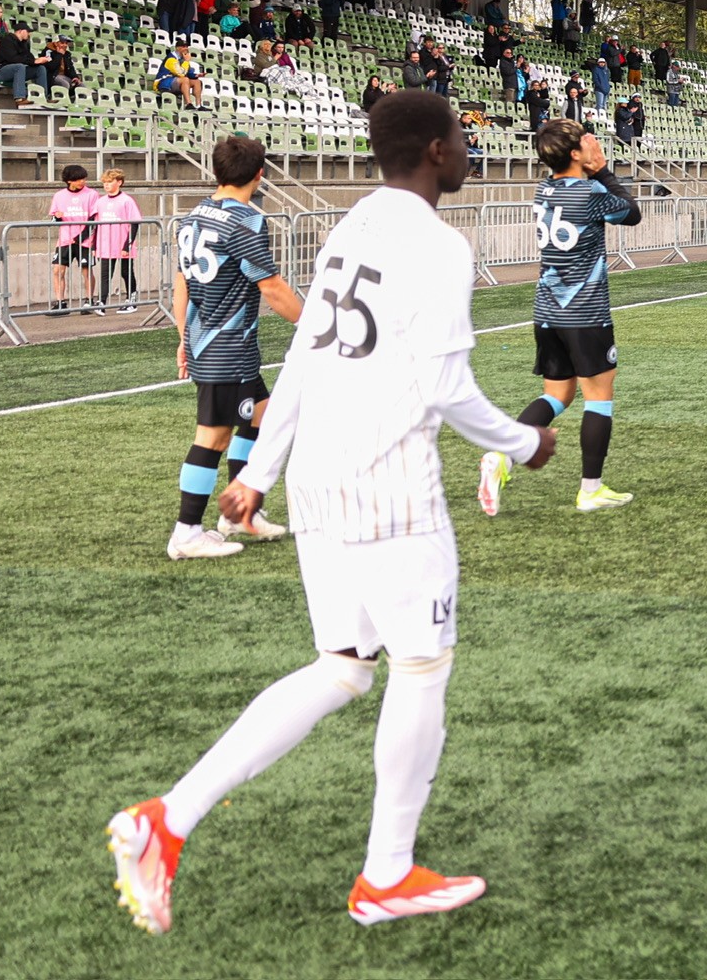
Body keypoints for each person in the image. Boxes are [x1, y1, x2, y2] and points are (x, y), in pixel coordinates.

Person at [107, 91, 556, 936]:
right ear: (434, 150)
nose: (467, 149)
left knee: (346, 668)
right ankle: (386, 873)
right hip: (391, 487)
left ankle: (166, 820)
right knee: (421, 667)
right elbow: (446, 389)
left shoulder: (350, 228)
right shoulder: (439, 246)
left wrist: (264, 474)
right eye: (460, 138)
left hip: (319, 480)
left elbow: (306, 355)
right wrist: (526, 444)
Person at [477, 119, 643, 516]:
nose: (593, 145)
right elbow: (631, 213)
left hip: (548, 311)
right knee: (599, 398)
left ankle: (502, 455)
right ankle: (591, 489)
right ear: (574, 154)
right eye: (586, 142)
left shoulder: (544, 189)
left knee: (557, 394)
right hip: (585, 312)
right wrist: (602, 169)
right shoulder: (589, 192)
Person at [166, 134, 305, 559]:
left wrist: (181, 337)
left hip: (221, 345)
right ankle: (187, 531)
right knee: (212, 437)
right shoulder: (244, 221)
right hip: (225, 347)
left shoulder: (192, 218)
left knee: (264, 416)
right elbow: (272, 287)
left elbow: (181, 282)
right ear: (260, 175)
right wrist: (315, 324)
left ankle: (237, 511)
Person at [48, 164, 101, 313]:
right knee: (58, 270)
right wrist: (56, 217)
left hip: (84, 241)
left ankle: (89, 300)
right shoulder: (59, 196)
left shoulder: (92, 194)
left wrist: (79, 238)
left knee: (86, 271)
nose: (82, 182)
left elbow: (93, 219)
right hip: (64, 240)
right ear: (69, 181)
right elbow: (54, 218)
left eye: (83, 179)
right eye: (78, 180)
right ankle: (60, 302)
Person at [94, 168, 142, 312]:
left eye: (110, 182)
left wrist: (127, 245)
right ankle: (102, 302)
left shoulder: (127, 201)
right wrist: (93, 246)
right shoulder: (100, 202)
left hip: (122, 243)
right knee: (105, 274)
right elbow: (94, 225)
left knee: (126, 272)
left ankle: (131, 300)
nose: (106, 185)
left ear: (119, 182)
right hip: (106, 244)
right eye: (105, 182)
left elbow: (134, 223)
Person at [0, 19, 38, 104]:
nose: (29, 34)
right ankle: (19, 98)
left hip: (14, 71)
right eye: (27, 31)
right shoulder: (6, 40)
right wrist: (32, 62)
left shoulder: (24, 43)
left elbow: (29, 57)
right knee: (19, 66)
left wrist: (35, 61)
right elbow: (13, 59)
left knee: (40, 68)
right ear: (20, 31)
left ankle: (43, 96)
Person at [155, 42, 204, 107]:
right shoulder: (171, 59)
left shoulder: (183, 59)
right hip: (164, 83)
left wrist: (196, 75)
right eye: (183, 46)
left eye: (186, 46)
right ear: (177, 48)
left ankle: (198, 105)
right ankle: (188, 104)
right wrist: (186, 61)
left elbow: (188, 73)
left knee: (197, 82)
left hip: (177, 82)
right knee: (185, 79)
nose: (186, 48)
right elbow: (180, 73)